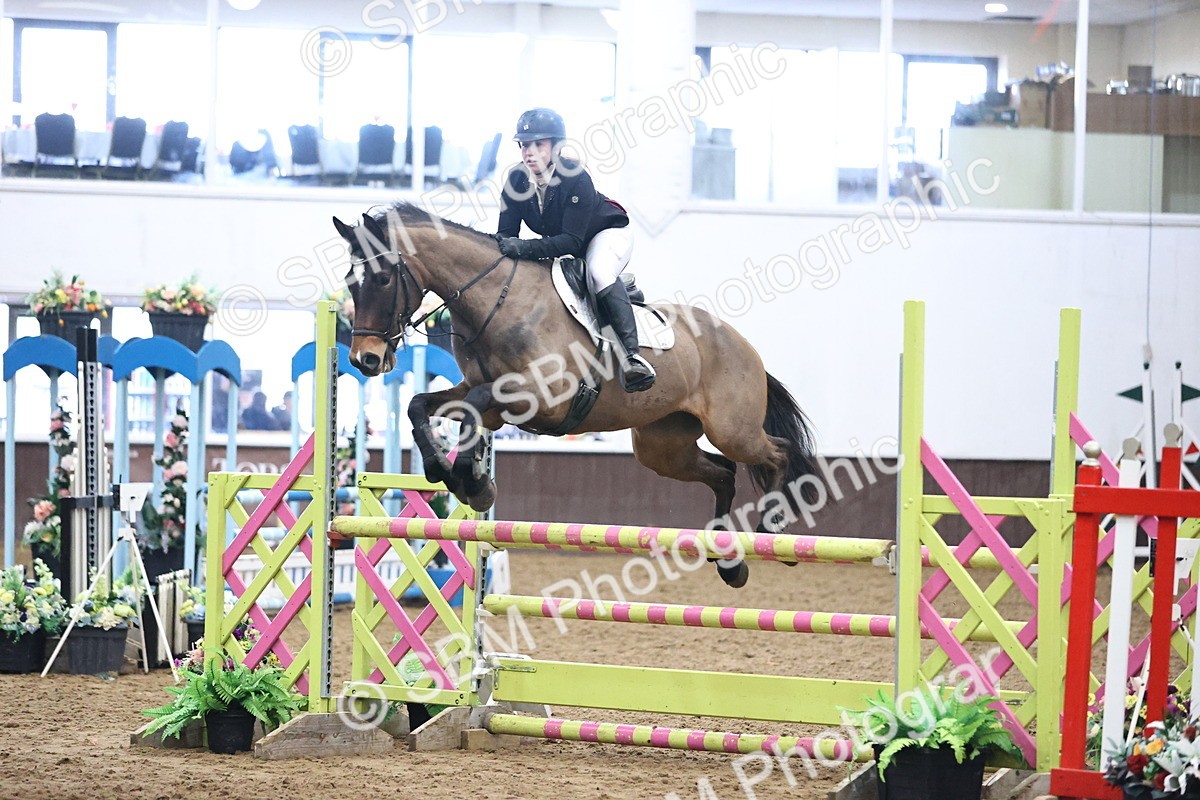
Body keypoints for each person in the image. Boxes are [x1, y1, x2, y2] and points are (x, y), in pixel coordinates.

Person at [496, 108, 655, 393]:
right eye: (523, 145)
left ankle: (633, 357)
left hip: (605, 234)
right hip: (565, 243)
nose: (528, 152)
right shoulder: (516, 181)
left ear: (557, 147)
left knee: (598, 272)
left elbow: (570, 240)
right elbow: (506, 236)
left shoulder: (575, 176)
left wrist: (523, 247)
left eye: (538, 144)